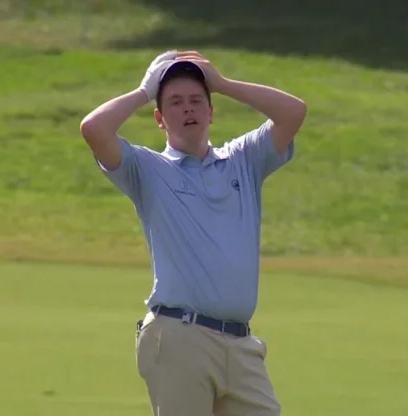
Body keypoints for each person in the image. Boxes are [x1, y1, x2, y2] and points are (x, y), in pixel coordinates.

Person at [80, 49, 307, 416]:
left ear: (211, 111)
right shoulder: (147, 168)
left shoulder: (243, 159)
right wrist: (144, 90)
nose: (188, 109)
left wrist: (222, 83)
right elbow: (94, 129)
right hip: (179, 337)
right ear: (159, 118)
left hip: (240, 344)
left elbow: (293, 113)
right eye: (175, 102)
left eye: (196, 100)